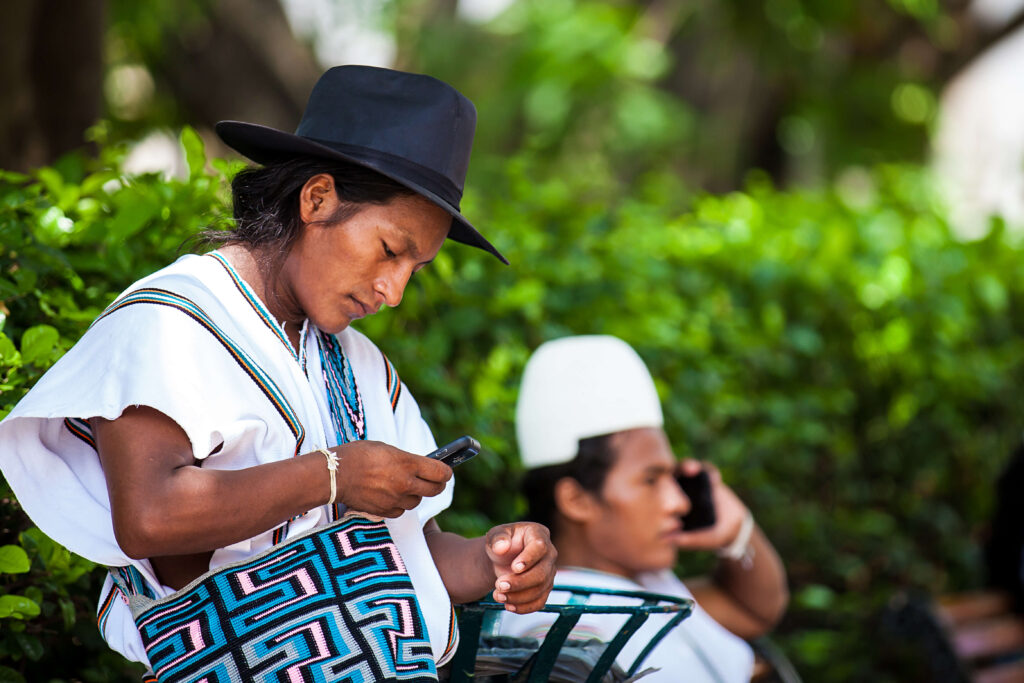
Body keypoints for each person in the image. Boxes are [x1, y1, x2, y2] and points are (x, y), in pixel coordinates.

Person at [0, 65, 556, 678]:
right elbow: (149, 517)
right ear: (317, 199)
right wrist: (333, 474)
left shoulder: (359, 364)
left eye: (415, 269)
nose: (394, 291)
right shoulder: (172, 321)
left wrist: (495, 560)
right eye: (390, 251)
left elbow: (409, 561)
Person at [499, 335, 789, 682]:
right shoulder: (557, 625)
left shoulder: (646, 586)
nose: (678, 501)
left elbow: (755, 610)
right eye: (651, 480)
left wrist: (738, 533)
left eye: (672, 477)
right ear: (576, 500)